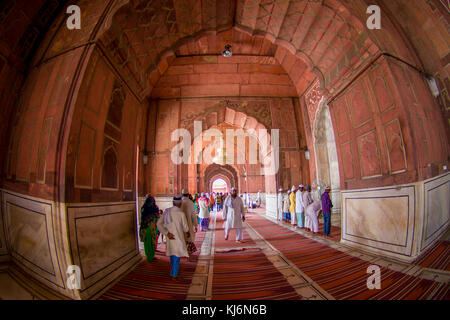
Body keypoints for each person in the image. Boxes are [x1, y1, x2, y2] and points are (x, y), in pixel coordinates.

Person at [156, 196, 189, 280]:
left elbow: (158, 224)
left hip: (170, 237)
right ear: (180, 203)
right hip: (178, 237)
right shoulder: (181, 213)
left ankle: (173, 272)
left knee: (172, 254)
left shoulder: (167, 211)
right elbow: (185, 228)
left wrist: (166, 233)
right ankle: (174, 274)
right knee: (177, 255)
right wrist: (187, 232)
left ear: (173, 202)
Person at [139, 195, 160, 261]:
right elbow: (145, 218)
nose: (152, 203)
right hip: (148, 227)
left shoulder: (151, 207)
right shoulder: (145, 208)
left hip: (151, 227)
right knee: (148, 242)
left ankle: (151, 255)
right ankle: (149, 256)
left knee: (152, 242)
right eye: (151, 201)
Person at [180, 189, 198, 260]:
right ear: (188, 194)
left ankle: (182, 253)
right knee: (189, 238)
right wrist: (195, 225)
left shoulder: (179, 202)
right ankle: (187, 254)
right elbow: (193, 215)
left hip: (180, 224)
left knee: (182, 238)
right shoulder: (190, 202)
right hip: (188, 224)